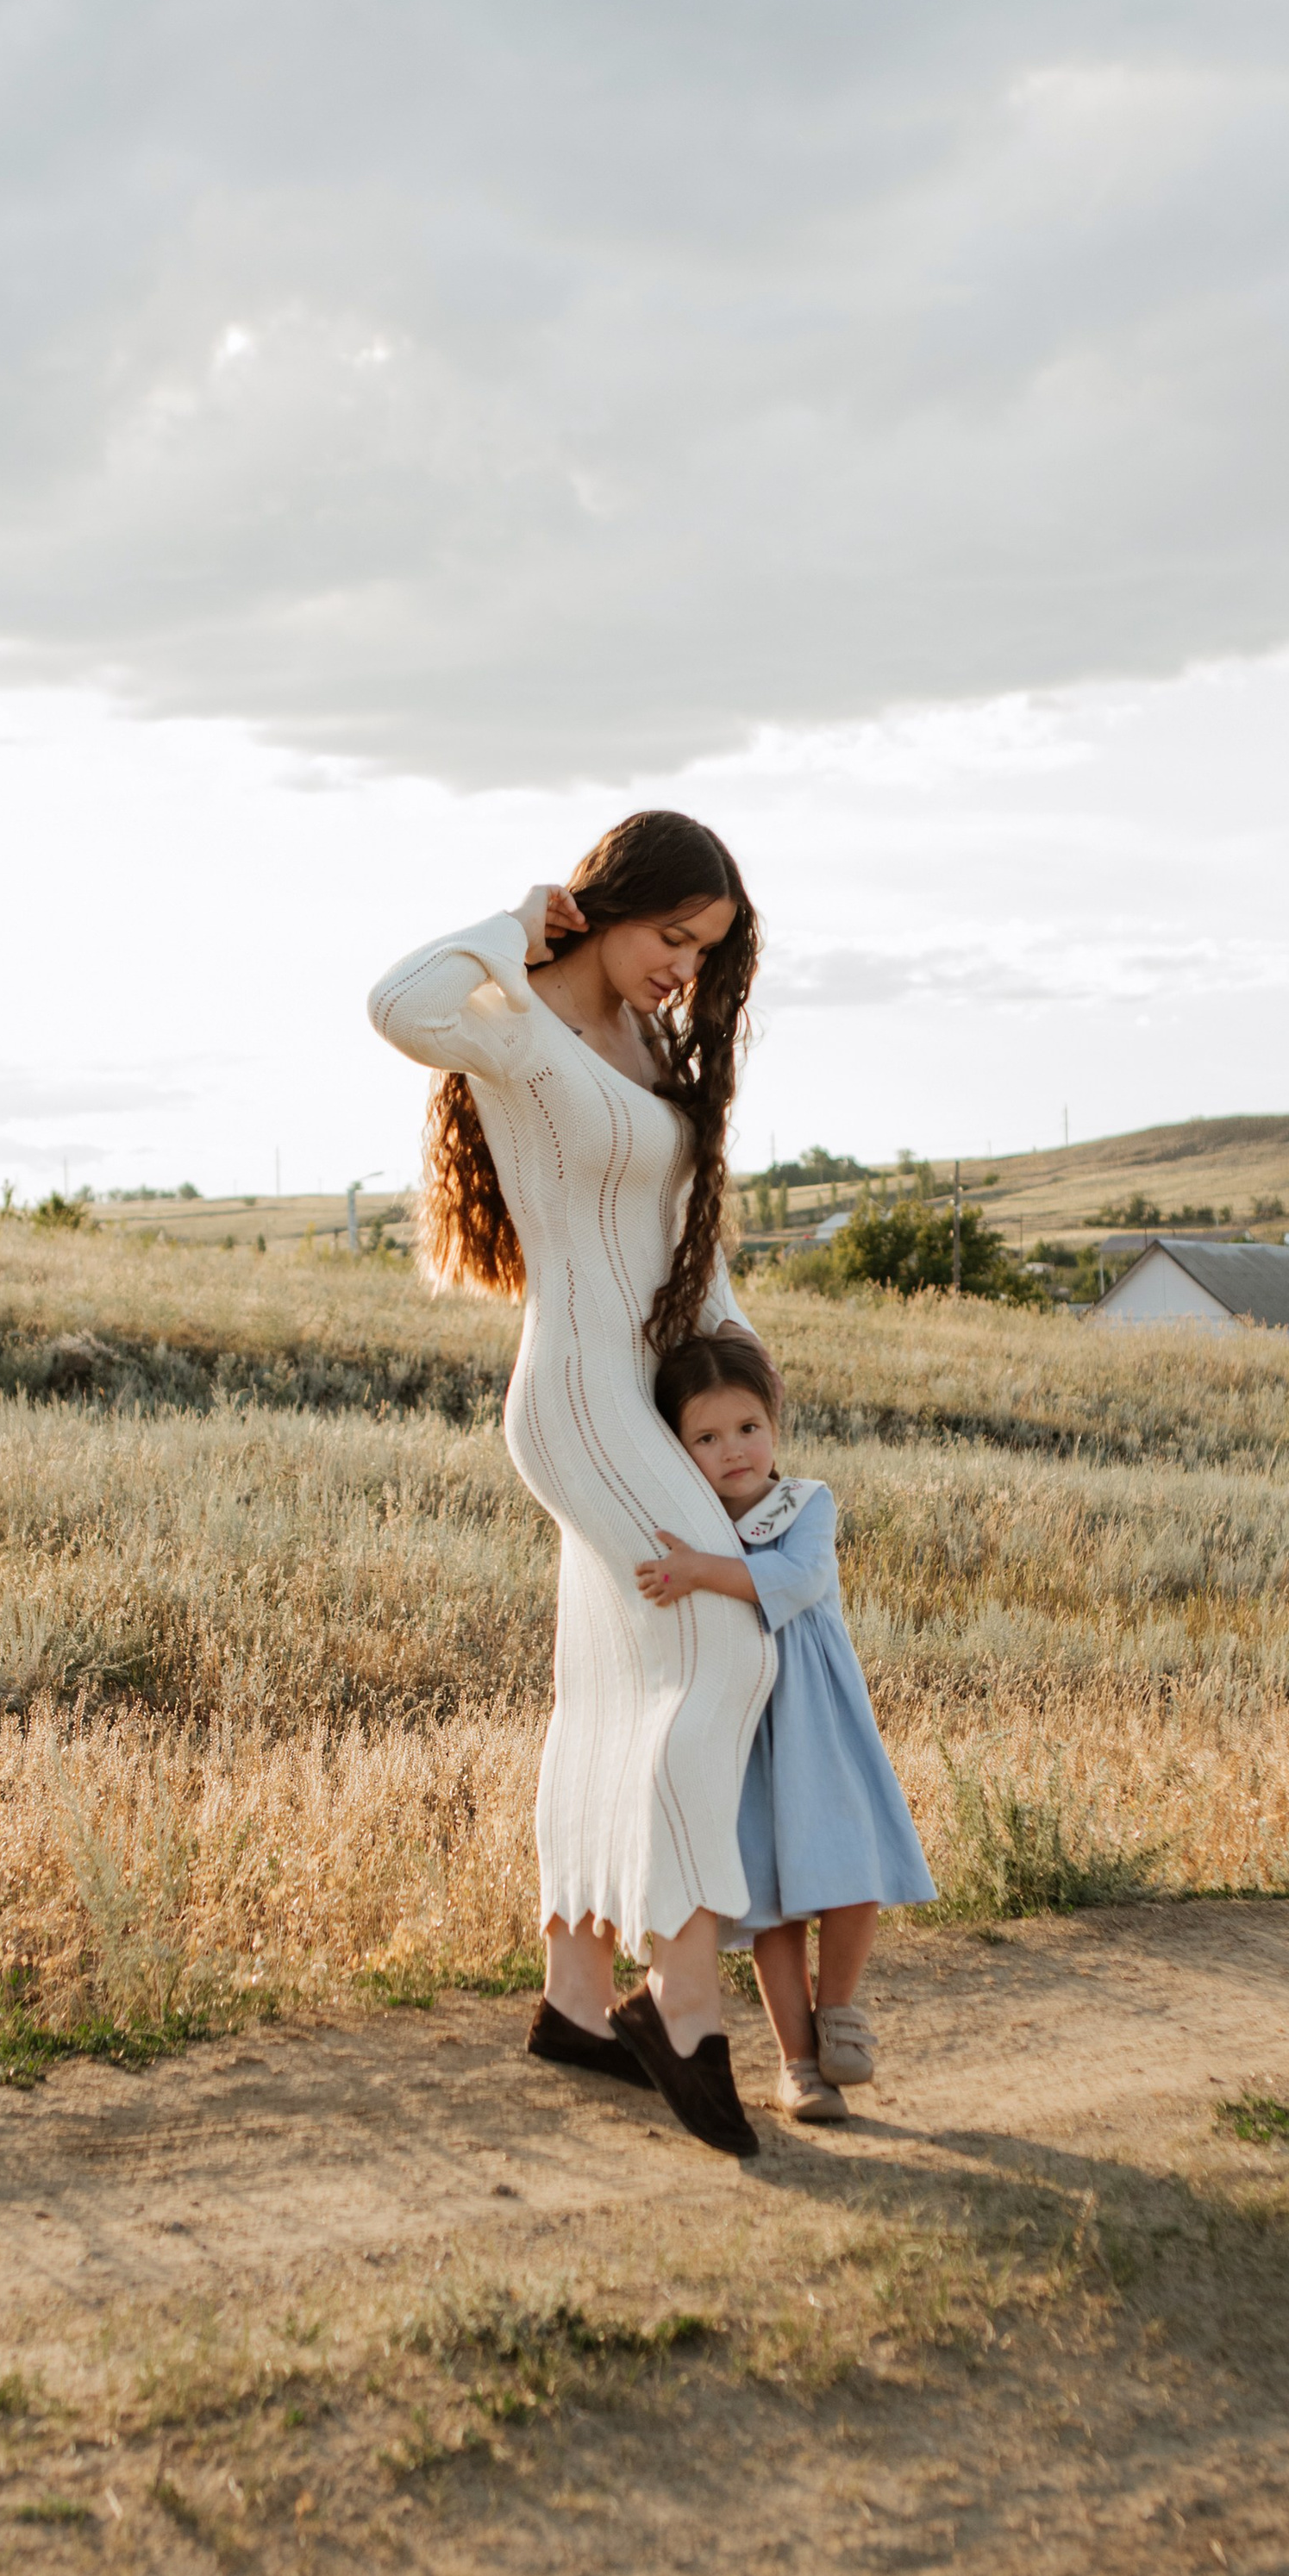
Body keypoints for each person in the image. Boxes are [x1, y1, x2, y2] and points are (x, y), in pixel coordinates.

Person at [367, 813, 771, 2157]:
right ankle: (685, 1995)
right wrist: (516, 917)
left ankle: (575, 2003)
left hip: (655, 1399)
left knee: (611, 1684)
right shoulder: (513, 1021)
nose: (683, 970)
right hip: (574, 1399)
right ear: (604, 911)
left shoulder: (657, 1050)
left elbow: (683, 1243)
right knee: (726, 1642)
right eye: (672, 936)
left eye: (706, 952)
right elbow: (394, 1000)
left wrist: (744, 1395)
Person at [637, 1330, 935, 2122]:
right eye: (706, 1437)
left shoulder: (806, 1504)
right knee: (770, 1899)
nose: (733, 1450)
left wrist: (701, 1570)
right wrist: (692, 1562)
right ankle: (799, 2066)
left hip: (818, 1717)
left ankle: (839, 2010)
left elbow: (797, 1580)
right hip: (747, 1729)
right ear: (679, 1449)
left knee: (851, 1868)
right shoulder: (688, 1524)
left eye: (747, 1429)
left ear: (774, 1427)